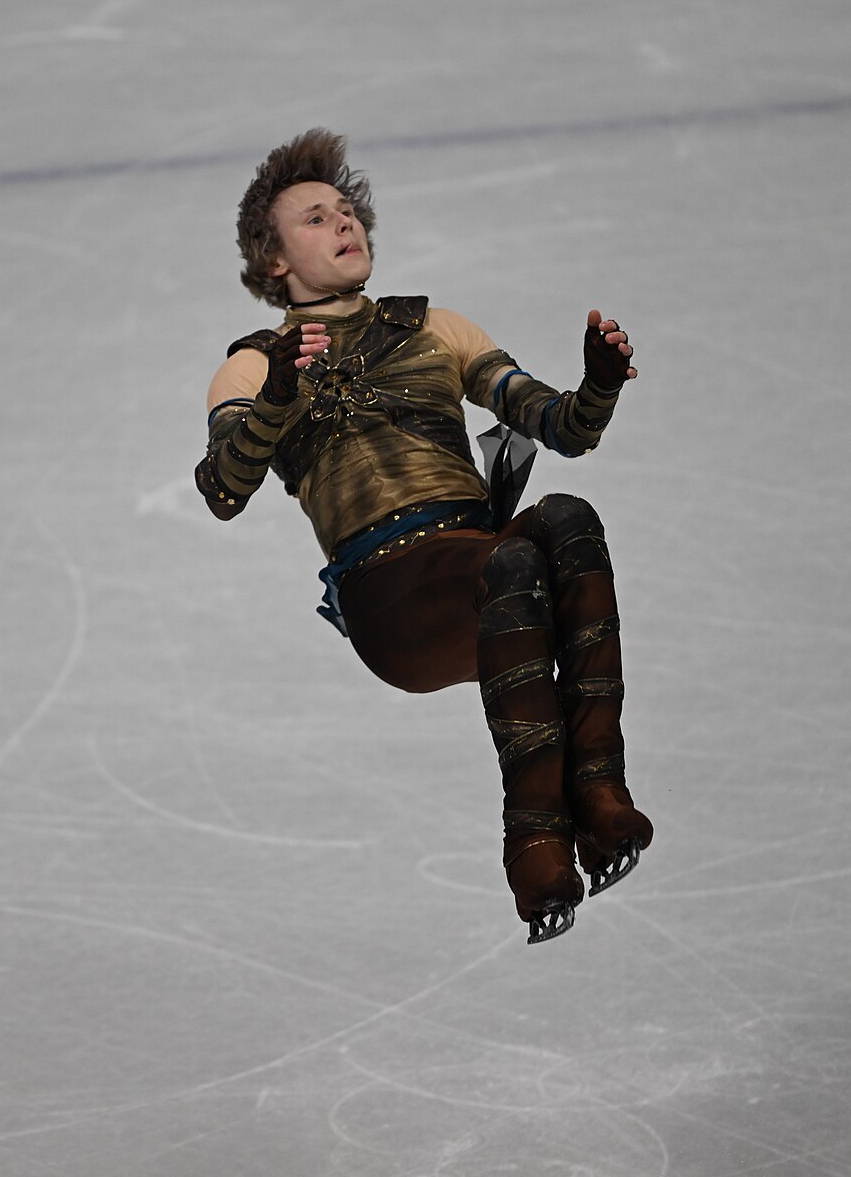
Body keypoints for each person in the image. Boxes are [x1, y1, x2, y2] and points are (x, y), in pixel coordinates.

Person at [194, 128, 652, 944]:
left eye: (347, 211)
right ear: (272, 260)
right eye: (315, 218)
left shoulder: (435, 328)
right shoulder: (249, 365)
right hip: (391, 600)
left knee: (569, 519)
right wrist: (278, 394)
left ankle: (601, 795)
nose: (344, 225)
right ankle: (536, 840)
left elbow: (561, 428)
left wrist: (599, 384)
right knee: (512, 556)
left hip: (478, 564)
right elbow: (223, 490)